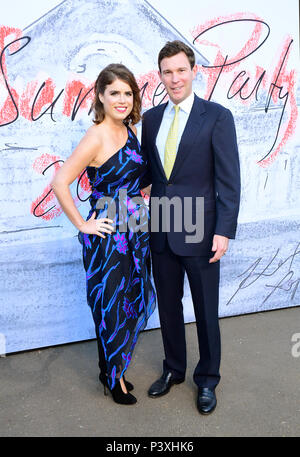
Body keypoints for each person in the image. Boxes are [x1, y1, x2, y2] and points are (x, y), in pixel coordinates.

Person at [141, 40, 240, 414]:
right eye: (167, 71)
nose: (174, 77)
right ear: (160, 75)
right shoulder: (150, 118)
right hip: (163, 224)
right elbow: (150, 175)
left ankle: (208, 379)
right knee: (167, 306)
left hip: (202, 229)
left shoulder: (216, 116)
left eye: (181, 70)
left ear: (193, 70)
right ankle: (173, 370)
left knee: (205, 309)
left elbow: (229, 179)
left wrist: (224, 230)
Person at [51, 63, 156, 405]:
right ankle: (114, 379)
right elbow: (60, 182)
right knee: (110, 303)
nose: (122, 99)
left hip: (136, 229)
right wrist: (84, 224)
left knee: (129, 299)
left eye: (128, 93)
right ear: (101, 96)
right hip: (108, 235)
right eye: (115, 93)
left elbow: (134, 178)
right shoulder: (96, 135)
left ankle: (110, 369)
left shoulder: (129, 130)